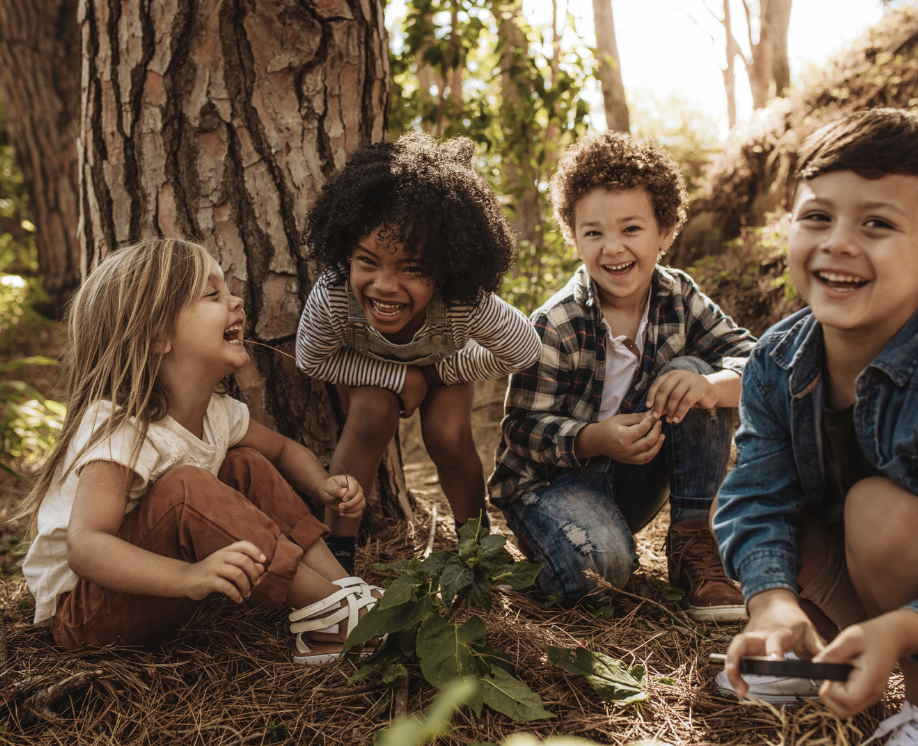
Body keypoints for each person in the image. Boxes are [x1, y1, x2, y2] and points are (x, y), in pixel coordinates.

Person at [20, 238, 381, 664]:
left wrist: (321, 484)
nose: (236, 301)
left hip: (153, 589)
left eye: (228, 290)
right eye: (213, 294)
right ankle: (336, 617)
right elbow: (86, 546)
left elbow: (282, 451)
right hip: (88, 613)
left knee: (244, 463)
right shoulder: (121, 425)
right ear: (157, 335)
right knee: (187, 488)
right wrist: (188, 577)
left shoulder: (218, 413)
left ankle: (342, 591)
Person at [714, 108, 918, 738]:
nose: (838, 242)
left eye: (877, 223)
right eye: (818, 217)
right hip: (860, 575)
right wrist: (771, 602)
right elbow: (756, 496)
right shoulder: (776, 360)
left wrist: (905, 629)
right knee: (787, 525)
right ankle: (822, 657)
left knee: (883, 512)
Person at [488, 132, 756, 621]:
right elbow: (521, 429)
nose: (613, 249)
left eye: (631, 229)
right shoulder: (556, 323)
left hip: (634, 479)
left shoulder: (679, 296)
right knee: (602, 572)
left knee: (693, 374)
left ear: (666, 231)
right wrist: (594, 439)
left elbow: (757, 361)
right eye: (593, 233)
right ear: (573, 237)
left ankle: (693, 539)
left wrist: (713, 386)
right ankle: (571, 549)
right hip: (551, 487)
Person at [295, 133, 541, 574]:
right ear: (347, 252)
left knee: (448, 436)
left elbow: (522, 349)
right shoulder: (334, 294)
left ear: (446, 270)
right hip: (370, 373)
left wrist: (439, 371)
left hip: (444, 368)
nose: (385, 285)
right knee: (371, 414)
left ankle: (477, 551)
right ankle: (337, 561)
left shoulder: (464, 301)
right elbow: (311, 359)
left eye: (411, 268)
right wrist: (397, 378)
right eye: (367, 261)